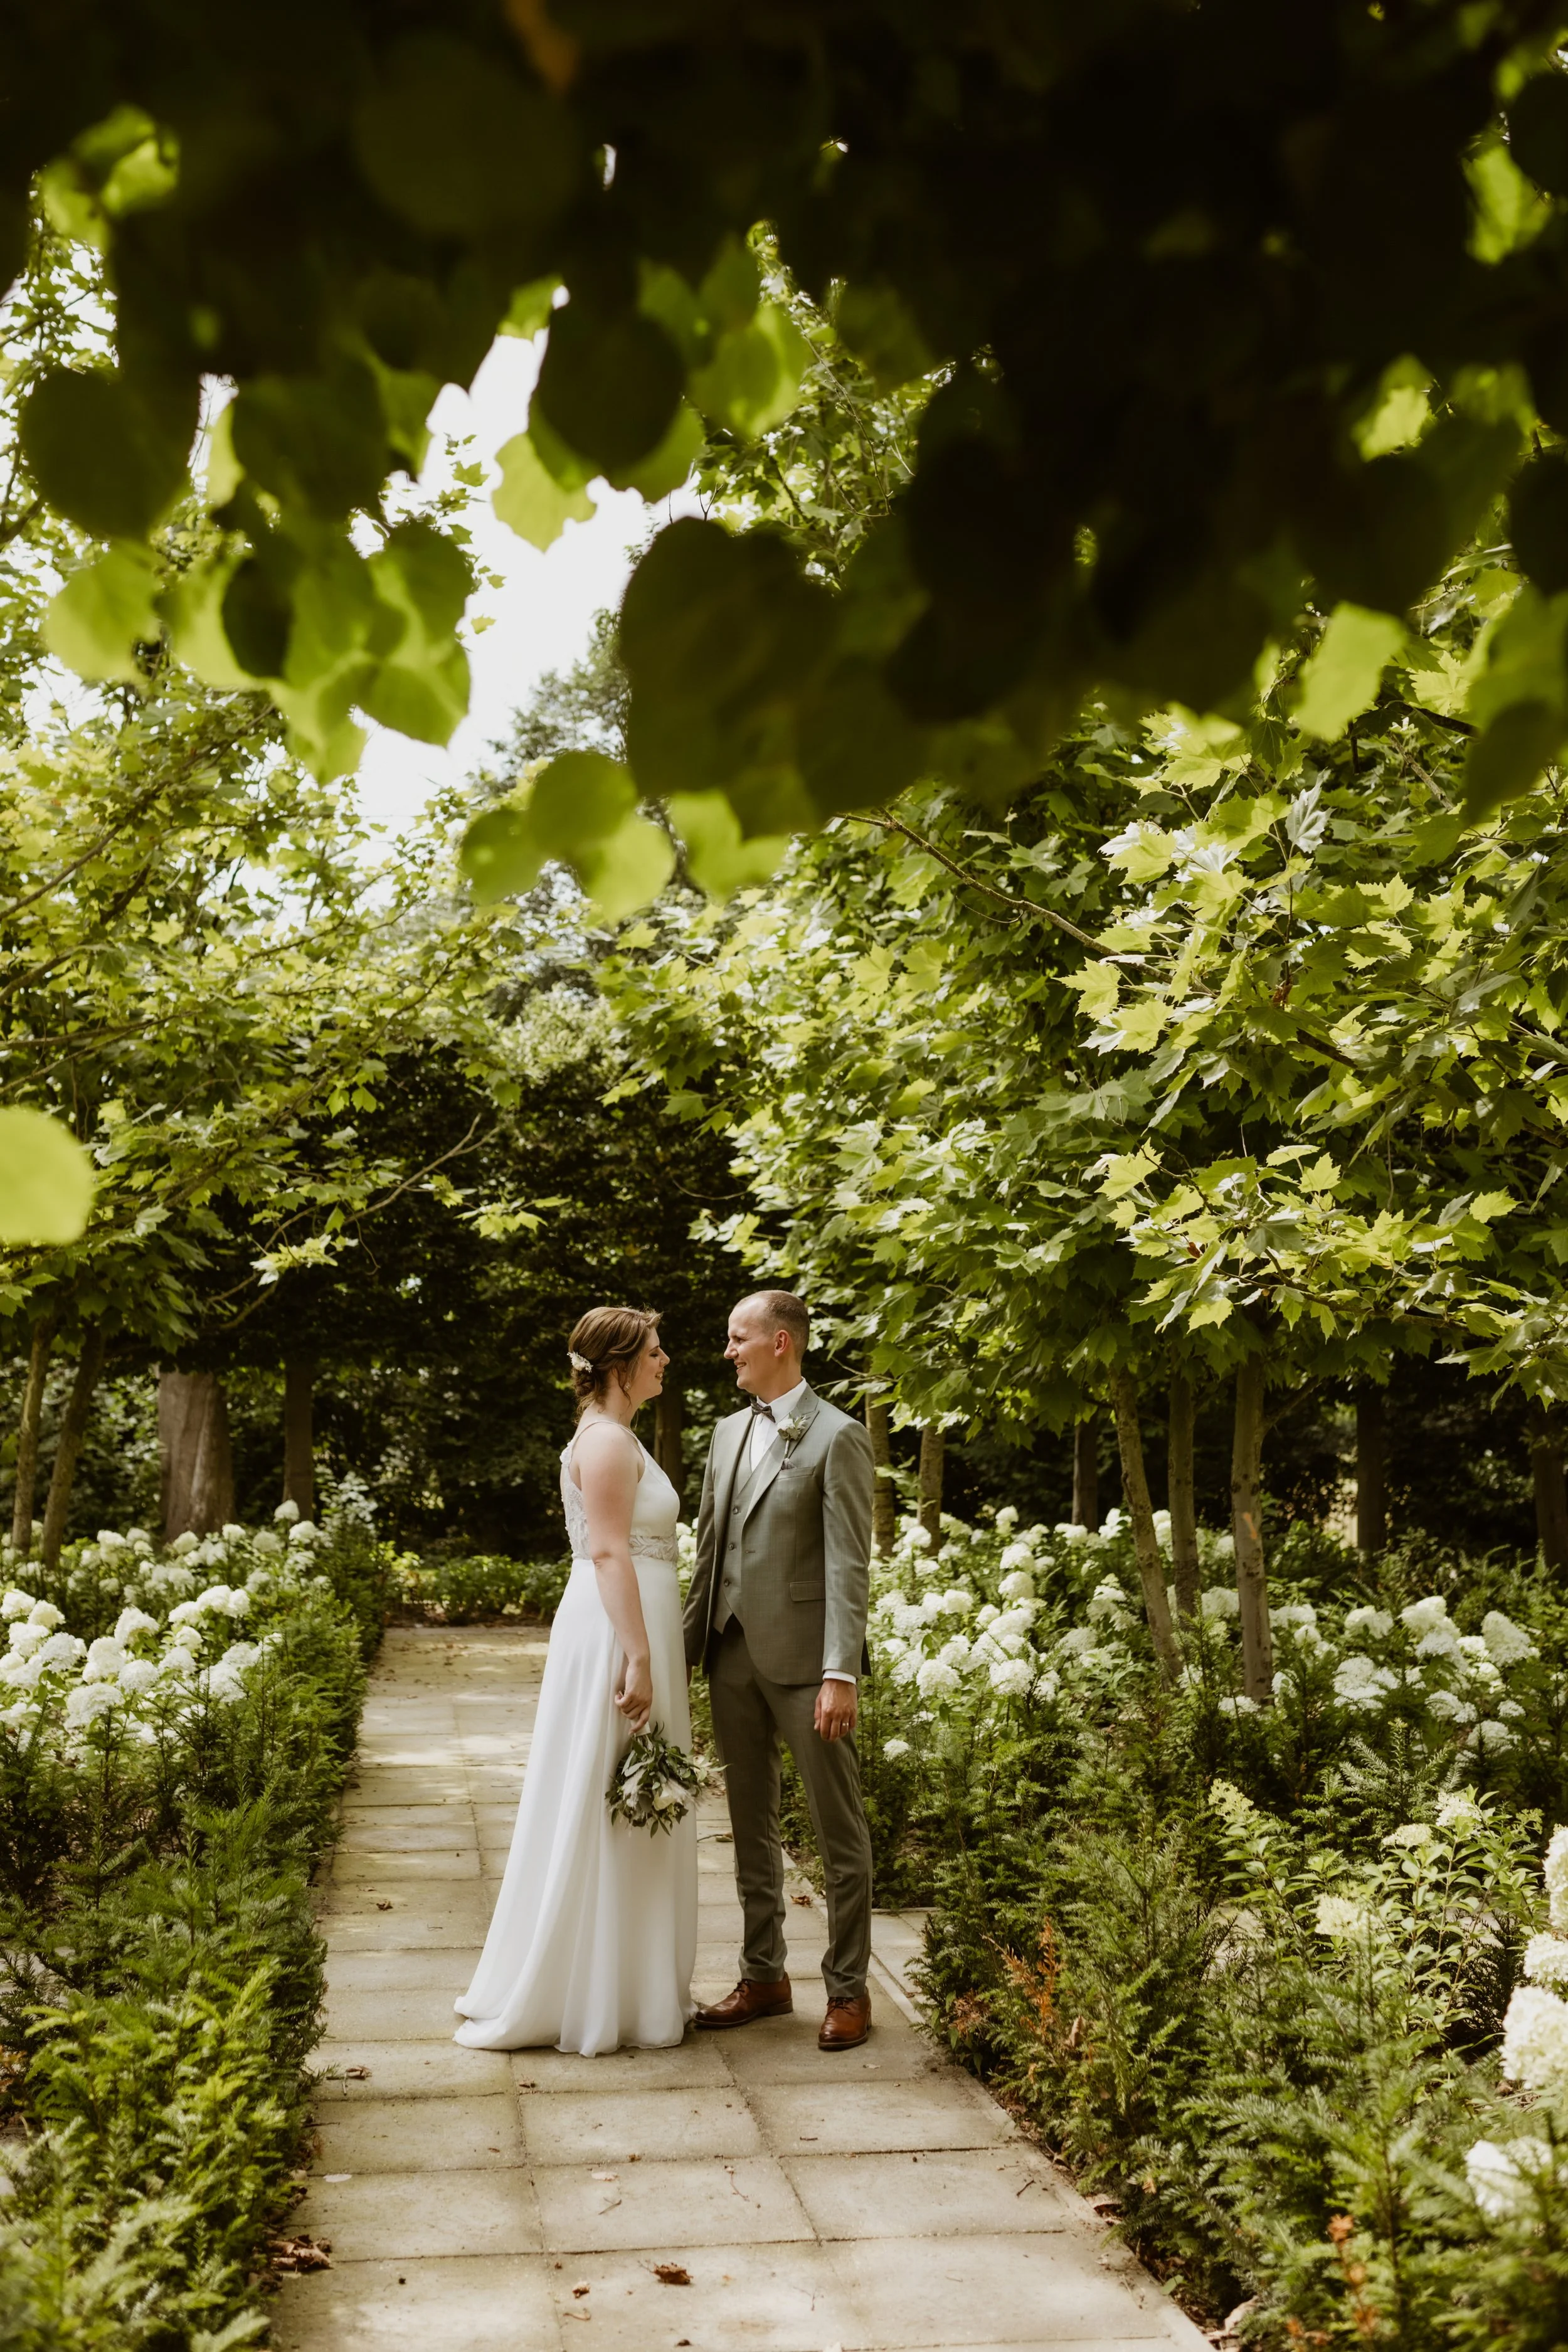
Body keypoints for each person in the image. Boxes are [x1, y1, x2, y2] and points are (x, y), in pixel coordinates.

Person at [454, 1306, 696, 2055]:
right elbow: (609, 1554)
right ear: (620, 1364)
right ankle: (587, 1992)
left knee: (635, 1800)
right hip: (615, 1633)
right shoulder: (604, 1443)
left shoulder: (620, 1438)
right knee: (608, 1800)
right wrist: (640, 1656)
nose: (665, 1362)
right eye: (655, 1353)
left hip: (631, 1626)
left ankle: (635, 1990)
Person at [683, 1288, 877, 2050]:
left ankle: (848, 1989)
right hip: (729, 1652)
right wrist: (685, 1648)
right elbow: (708, 1550)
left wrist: (841, 1672)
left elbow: (847, 1565)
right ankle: (763, 1974)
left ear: (781, 1343)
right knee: (747, 1824)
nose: (728, 1351)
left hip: (805, 1665)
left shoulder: (838, 1437)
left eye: (738, 1338)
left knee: (838, 1829)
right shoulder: (728, 1431)